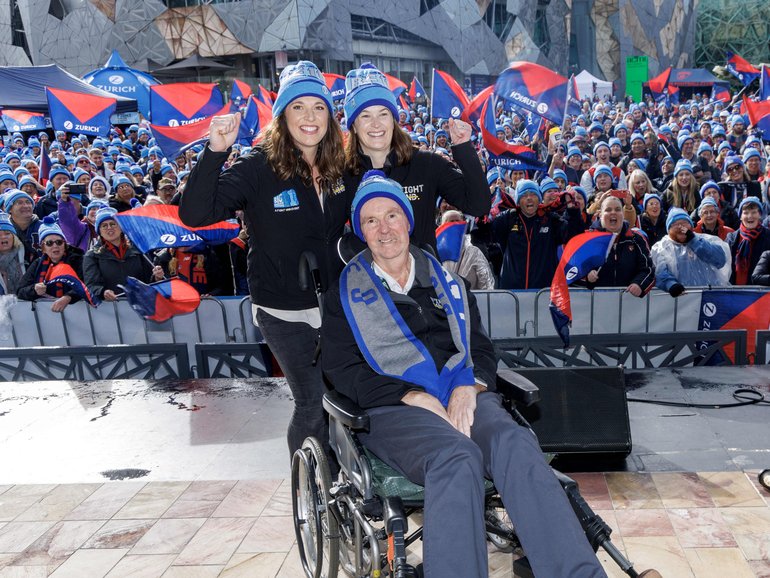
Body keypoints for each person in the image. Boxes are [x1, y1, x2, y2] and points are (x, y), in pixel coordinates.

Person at [322, 171, 609, 578]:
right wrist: (410, 395)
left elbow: (482, 350)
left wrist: (470, 386)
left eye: (391, 216)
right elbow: (340, 368)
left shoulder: (449, 283)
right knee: (456, 457)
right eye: (371, 220)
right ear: (361, 231)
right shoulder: (344, 295)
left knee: (514, 442)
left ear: (408, 221)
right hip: (393, 408)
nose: (384, 229)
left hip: (462, 393)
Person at [179, 61, 349, 458]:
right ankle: (307, 492)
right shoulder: (258, 166)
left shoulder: (340, 166)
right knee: (312, 400)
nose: (310, 117)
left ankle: (340, 480)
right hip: (282, 310)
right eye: (298, 107)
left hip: (337, 306)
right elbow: (195, 214)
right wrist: (215, 151)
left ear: (329, 114)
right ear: (282, 115)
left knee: (343, 396)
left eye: (318, 107)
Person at [342, 63, 489, 251]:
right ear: (353, 125)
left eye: (383, 114)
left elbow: (478, 206)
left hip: (424, 278)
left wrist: (463, 150)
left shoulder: (426, 164)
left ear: (394, 119)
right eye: (365, 116)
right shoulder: (341, 174)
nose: (376, 124)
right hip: (368, 279)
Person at [492, 179, 583, 289]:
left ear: (539, 199)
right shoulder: (508, 218)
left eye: (533, 194)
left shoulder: (550, 219)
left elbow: (574, 236)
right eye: (524, 195)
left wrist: (572, 210)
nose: (529, 198)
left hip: (543, 293)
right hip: (512, 293)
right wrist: (487, 212)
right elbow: (484, 235)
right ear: (518, 201)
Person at [83, 208, 164, 301]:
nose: (109, 228)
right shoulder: (92, 256)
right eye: (104, 226)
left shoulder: (138, 250)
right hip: (113, 309)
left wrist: (157, 277)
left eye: (113, 224)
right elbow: (92, 285)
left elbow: (149, 280)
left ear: (121, 227)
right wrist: (103, 292)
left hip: (142, 304)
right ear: (99, 231)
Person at [650, 208, 730, 297]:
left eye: (684, 223)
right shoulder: (662, 247)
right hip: (681, 300)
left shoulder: (705, 240)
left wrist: (694, 241)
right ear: (668, 229)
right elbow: (660, 272)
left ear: (691, 226)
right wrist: (671, 285)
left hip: (709, 298)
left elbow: (720, 260)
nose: (681, 227)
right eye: (675, 224)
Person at [584, 196, 655, 295]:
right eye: (608, 210)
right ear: (600, 215)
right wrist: (587, 277)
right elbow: (575, 270)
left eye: (618, 209)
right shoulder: (588, 239)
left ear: (623, 214)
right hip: (596, 303)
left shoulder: (636, 239)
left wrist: (639, 284)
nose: (613, 212)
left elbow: (648, 269)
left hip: (629, 302)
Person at [16, 218, 84, 312]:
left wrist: (68, 297)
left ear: (65, 244)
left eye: (59, 242)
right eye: (49, 243)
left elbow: (86, 284)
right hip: (47, 314)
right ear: (43, 248)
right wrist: (34, 290)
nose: (55, 246)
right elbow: (20, 291)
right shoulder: (37, 264)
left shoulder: (77, 260)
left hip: (78, 312)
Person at [437, 210, 495, 290]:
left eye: (457, 221)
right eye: (450, 221)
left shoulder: (474, 252)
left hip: (471, 300)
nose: (454, 225)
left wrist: (485, 299)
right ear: (441, 226)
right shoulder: (434, 251)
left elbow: (487, 283)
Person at [725, 198, 770, 285]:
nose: (750, 216)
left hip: (760, 294)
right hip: (734, 291)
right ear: (741, 216)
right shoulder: (731, 238)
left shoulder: (768, 236)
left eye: (754, 212)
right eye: (746, 213)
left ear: (760, 215)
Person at [0, 213, 26, 295]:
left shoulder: (27, 258)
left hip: (24, 305)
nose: (3, 237)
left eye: (7, 233)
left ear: (13, 237)